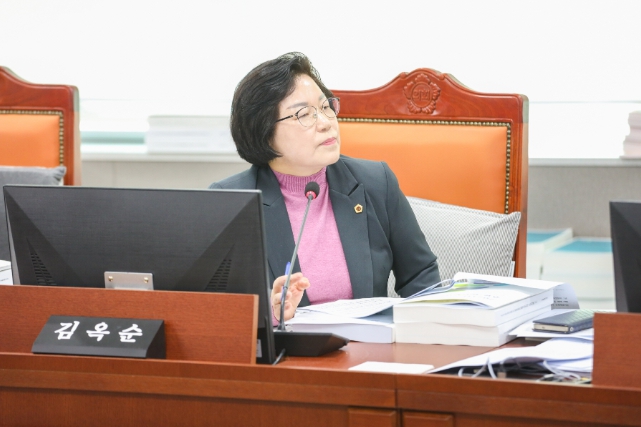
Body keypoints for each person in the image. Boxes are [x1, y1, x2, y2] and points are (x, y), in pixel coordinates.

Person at [210, 52, 440, 322]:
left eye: (326, 107)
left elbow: (421, 276)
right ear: (264, 132)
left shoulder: (376, 182)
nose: (325, 122)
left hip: (368, 343)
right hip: (285, 347)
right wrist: (268, 316)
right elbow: (213, 308)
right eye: (304, 114)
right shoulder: (231, 202)